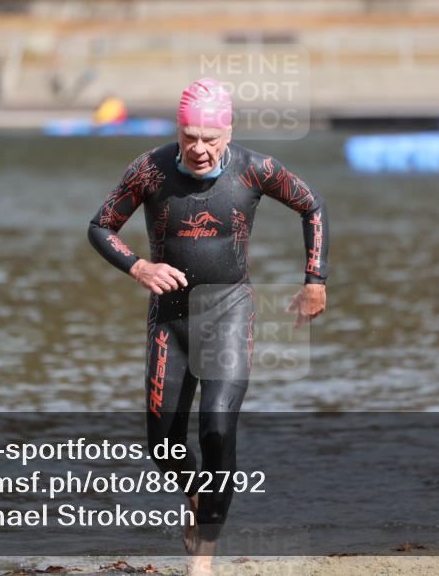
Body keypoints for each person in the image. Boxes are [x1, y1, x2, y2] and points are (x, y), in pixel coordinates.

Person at [87, 78, 329, 575]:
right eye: (189, 137)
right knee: (164, 446)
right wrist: (138, 267)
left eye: (210, 139)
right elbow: (100, 226)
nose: (198, 149)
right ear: (178, 130)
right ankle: (198, 495)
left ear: (228, 132)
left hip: (229, 314)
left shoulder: (255, 169)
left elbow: (312, 206)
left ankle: (204, 557)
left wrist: (315, 281)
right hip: (170, 321)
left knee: (217, 428)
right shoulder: (149, 170)